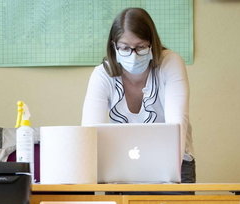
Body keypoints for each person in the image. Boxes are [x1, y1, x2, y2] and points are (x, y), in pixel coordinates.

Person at [82, 7, 195, 183]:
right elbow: (88, 132)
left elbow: (178, 124)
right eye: (125, 48)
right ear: (114, 46)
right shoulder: (102, 74)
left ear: (152, 44)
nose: (133, 55)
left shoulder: (170, 63)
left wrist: (170, 174)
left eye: (141, 47)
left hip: (174, 163)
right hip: (121, 165)